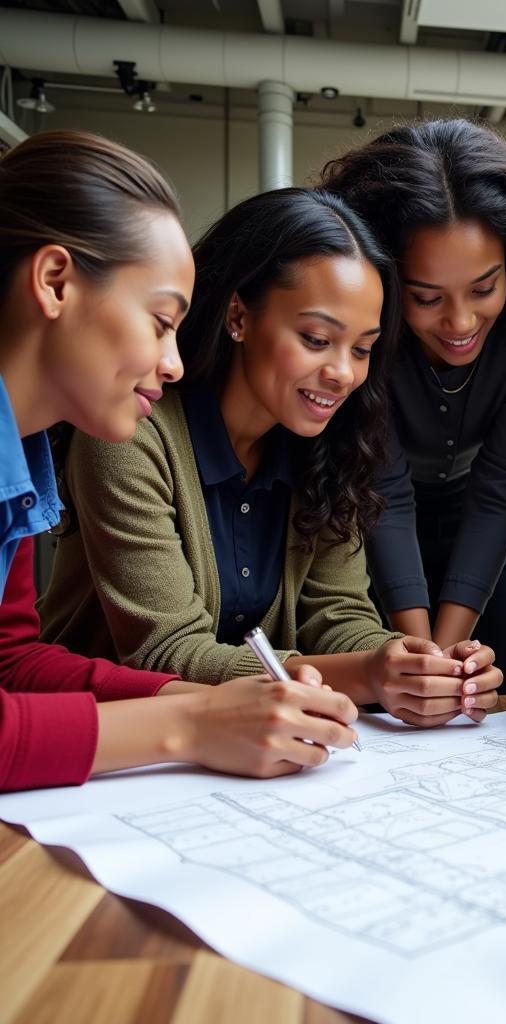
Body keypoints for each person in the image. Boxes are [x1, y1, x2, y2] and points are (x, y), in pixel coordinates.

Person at [39, 187, 501, 729]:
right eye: (315, 338)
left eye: (362, 348)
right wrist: (368, 675)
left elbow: (338, 615)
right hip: (109, 738)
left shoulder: (336, 443)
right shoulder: (131, 432)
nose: (344, 374)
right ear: (239, 315)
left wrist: (414, 666)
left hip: (255, 741)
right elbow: (166, 655)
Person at [0, 130, 359, 791]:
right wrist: (189, 725)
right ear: (54, 282)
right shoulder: (117, 441)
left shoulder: (19, 453)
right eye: (160, 321)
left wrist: (195, 703)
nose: (173, 361)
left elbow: (13, 664)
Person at [320, 119, 506, 687]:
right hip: (369, 512)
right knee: (392, 683)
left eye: (484, 288)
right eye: (426, 297)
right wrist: (422, 655)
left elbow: (500, 484)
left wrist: (449, 651)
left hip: (487, 519)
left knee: (500, 682)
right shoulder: (366, 337)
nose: (460, 323)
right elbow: (383, 489)